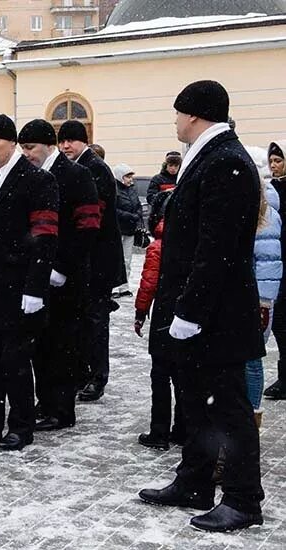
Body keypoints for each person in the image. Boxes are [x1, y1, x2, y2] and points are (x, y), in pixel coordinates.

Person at [139, 80, 265, 532]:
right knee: (196, 401)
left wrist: (189, 312)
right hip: (198, 313)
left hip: (217, 317)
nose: (174, 121)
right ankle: (193, 481)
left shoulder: (226, 161)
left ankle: (244, 498)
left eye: (177, 113)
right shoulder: (212, 157)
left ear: (193, 114)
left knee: (227, 408)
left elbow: (218, 250)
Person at [0, 114, 59, 452]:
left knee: (16, 362)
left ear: (12, 143)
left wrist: (36, 288)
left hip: (20, 287)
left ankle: (21, 427)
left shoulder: (37, 180)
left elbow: (45, 238)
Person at [18, 119, 100, 432]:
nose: (26, 154)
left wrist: (62, 268)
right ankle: (46, 401)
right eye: (23, 148)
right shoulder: (30, 176)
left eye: (31, 148)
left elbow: (88, 228)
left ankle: (62, 410)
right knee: (40, 345)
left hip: (68, 279)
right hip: (39, 275)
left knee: (63, 347)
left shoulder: (77, 176)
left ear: (48, 146)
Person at [58, 120, 125, 402]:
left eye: (71, 141)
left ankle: (97, 377)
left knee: (96, 322)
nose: (65, 146)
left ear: (83, 141)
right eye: (62, 142)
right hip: (87, 260)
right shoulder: (81, 166)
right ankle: (83, 373)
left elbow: (93, 219)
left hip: (98, 259)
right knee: (83, 320)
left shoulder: (95, 168)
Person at [134, 193, 185, 451]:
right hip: (186, 311)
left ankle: (159, 431)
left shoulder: (159, 246)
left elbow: (149, 283)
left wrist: (140, 311)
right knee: (182, 375)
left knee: (161, 374)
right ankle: (182, 429)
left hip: (164, 314)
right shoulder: (189, 241)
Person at [244, 146, 282, 427]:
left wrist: (264, 304)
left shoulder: (266, 212)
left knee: (252, 359)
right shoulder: (243, 203)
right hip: (240, 295)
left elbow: (268, 263)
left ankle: (251, 418)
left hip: (255, 299)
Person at [265, 139, 286, 400]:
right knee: (280, 323)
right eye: (271, 161)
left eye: (278, 160)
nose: (274, 166)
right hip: (277, 260)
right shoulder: (272, 188)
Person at [113, 163, 144, 298]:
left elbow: (137, 204)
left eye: (131, 176)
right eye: (127, 176)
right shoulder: (114, 189)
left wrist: (138, 215)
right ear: (120, 177)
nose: (130, 179)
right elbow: (114, 209)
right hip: (118, 229)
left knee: (127, 259)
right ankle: (114, 288)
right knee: (115, 259)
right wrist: (130, 216)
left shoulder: (131, 189)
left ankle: (125, 286)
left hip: (129, 229)